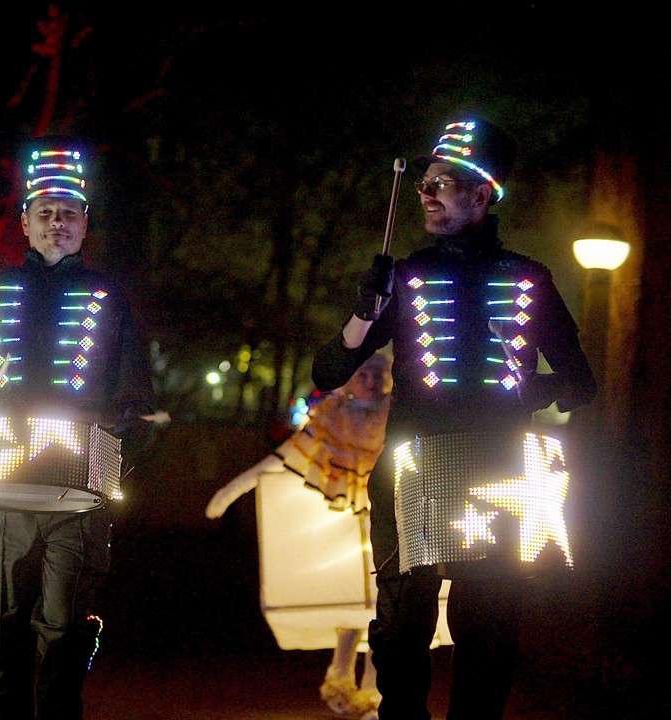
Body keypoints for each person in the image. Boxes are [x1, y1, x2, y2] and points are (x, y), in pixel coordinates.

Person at [311, 119, 596, 719]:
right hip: (412, 467)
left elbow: (581, 383)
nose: (426, 193)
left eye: (442, 183)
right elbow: (330, 370)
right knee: (400, 624)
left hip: (497, 468)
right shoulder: (406, 276)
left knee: (488, 623)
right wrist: (366, 311)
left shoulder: (528, 278)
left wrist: (524, 390)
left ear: (483, 194)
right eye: (424, 184)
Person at [0, 137, 155, 719]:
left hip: (77, 495)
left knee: (66, 628)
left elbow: (136, 398)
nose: (58, 223)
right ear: (25, 223)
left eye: (69, 213)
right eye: (46, 212)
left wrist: (113, 452)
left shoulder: (108, 297)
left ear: (85, 224)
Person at [206, 354, 392, 718]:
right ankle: (340, 681)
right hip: (340, 522)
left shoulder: (397, 414)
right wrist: (231, 491)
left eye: (377, 374)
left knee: (381, 607)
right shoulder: (331, 416)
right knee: (348, 604)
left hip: (384, 522)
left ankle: (374, 691)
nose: (370, 382)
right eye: (362, 374)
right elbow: (287, 455)